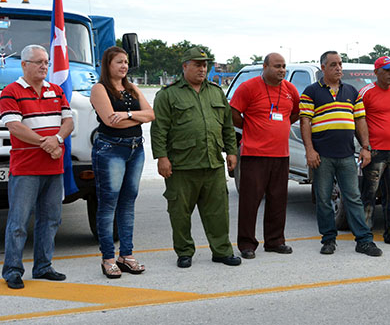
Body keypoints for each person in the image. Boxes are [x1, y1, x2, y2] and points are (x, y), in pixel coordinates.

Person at [151, 47, 241, 268]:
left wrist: (231, 151)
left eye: (205, 65)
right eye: (197, 64)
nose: (202, 69)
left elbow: (227, 126)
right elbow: (159, 128)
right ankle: (184, 252)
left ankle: (221, 251)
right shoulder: (168, 94)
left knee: (218, 212)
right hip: (181, 165)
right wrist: (162, 157)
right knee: (180, 213)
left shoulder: (216, 92)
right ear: (185, 67)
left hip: (212, 163)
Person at [1, 45, 73, 289]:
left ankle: (43, 266)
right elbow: (14, 126)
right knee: (18, 223)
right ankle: (12, 270)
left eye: (47, 62)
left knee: (51, 219)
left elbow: (69, 120)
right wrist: (47, 143)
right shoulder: (11, 92)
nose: (45, 66)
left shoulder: (56, 90)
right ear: (24, 65)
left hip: (54, 169)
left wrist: (59, 140)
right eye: (39, 62)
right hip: (26, 169)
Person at [299, 51, 382, 257]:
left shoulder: (352, 92)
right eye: (333, 64)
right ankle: (328, 240)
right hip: (322, 156)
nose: (338, 68)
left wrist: (365, 147)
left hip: (346, 155)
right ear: (323, 68)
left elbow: (360, 121)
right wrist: (310, 150)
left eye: (340, 64)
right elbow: (305, 122)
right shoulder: (311, 92)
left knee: (353, 197)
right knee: (324, 199)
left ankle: (363, 241)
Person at [90, 47, 155, 278]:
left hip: (136, 149)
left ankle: (126, 255)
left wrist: (128, 115)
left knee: (128, 202)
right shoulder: (100, 89)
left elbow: (151, 114)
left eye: (126, 62)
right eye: (119, 62)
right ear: (108, 65)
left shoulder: (131, 88)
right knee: (109, 204)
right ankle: (108, 258)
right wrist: (136, 117)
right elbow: (111, 122)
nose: (124, 66)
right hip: (111, 150)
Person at [229, 52, 300, 259]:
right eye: (277, 66)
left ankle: (275, 241)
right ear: (265, 66)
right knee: (250, 201)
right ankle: (247, 244)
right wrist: (250, 127)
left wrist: (282, 124)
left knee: (278, 200)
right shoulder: (249, 87)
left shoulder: (290, 89)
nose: (282, 70)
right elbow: (233, 112)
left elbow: (295, 112)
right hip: (254, 154)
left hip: (281, 155)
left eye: (283, 66)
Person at [357, 56, 390, 247]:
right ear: (376, 72)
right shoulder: (366, 93)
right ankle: (365, 236)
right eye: (387, 70)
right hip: (374, 152)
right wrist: (365, 147)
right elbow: (358, 122)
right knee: (369, 196)